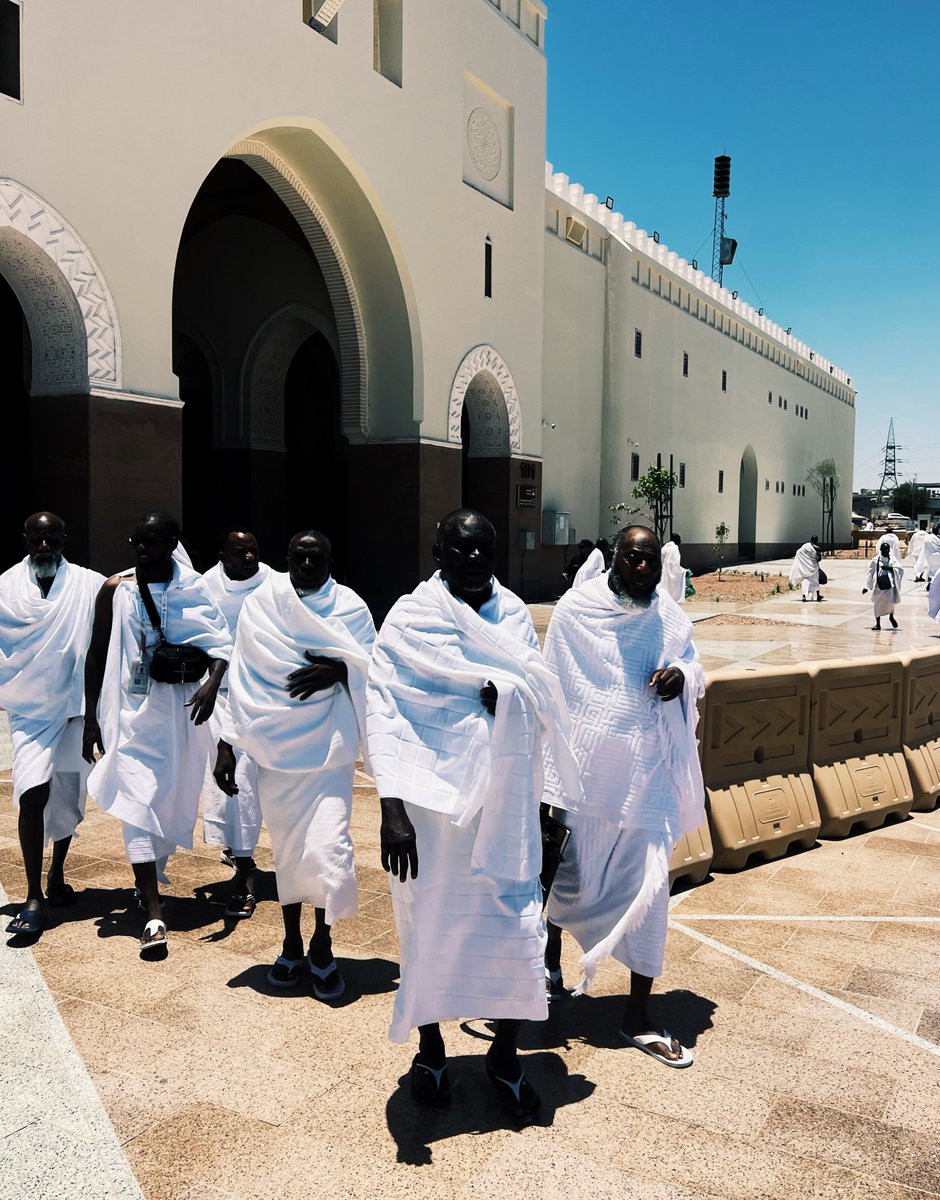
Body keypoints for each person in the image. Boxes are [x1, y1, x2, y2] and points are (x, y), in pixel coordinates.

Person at [368, 509, 580, 1122]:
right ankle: (431, 1050)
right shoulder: (409, 617)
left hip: (504, 803)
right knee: (427, 929)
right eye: (459, 549)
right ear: (438, 549)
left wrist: (509, 696)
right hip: (428, 814)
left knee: (517, 934)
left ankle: (504, 1056)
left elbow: (540, 694)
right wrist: (391, 809)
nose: (472, 560)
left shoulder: (513, 614)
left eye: (483, 550)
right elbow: (383, 712)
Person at [542, 525, 705, 1069]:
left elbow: (694, 664)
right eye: (633, 559)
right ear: (613, 558)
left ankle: (638, 1012)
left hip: (647, 777)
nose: (643, 569)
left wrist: (680, 675)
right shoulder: (574, 612)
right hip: (585, 780)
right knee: (566, 878)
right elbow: (552, 689)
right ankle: (548, 970)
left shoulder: (671, 617)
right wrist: (546, 780)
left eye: (651, 561)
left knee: (650, 890)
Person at [222, 530, 374, 998]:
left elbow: (376, 666)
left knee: (328, 848)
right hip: (277, 751)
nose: (307, 564)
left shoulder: (351, 607)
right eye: (299, 557)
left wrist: (340, 670)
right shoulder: (261, 604)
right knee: (287, 854)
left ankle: (323, 945)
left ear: (331, 560)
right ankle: (291, 942)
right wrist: (229, 746)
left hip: (328, 749)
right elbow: (242, 674)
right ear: (286, 559)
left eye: (316, 557)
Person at [82, 513, 232, 957]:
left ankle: (149, 877)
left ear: (172, 542)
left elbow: (220, 645)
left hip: (184, 713)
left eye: (151, 541)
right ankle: (152, 910)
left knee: (170, 800)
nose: (142, 549)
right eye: (137, 541)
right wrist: (92, 717)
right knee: (136, 801)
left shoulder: (195, 588)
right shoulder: (116, 590)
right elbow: (95, 652)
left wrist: (211, 681)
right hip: (131, 712)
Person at [0, 513, 104, 935]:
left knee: (65, 795)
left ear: (65, 539)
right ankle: (31, 895)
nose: (45, 544)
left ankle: (57, 874)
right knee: (31, 792)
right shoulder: (5, 586)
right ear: (25, 539)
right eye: (37, 537)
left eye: (52, 537)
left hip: (74, 708)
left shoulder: (89, 584)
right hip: (29, 710)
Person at [199, 527, 272, 917]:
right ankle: (237, 850)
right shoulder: (204, 585)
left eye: (254, 551)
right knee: (220, 782)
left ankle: (244, 870)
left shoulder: (275, 585)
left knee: (244, 783)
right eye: (240, 552)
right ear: (222, 555)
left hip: (258, 698)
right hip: (213, 695)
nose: (249, 558)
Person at [863, 540, 904, 631]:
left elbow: (900, 569)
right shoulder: (875, 560)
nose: (886, 552)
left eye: (887, 550)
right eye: (884, 550)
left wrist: (890, 568)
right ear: (881, 550)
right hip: (878, 586)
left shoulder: (892, 559)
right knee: (877, 605)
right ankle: (878, 624)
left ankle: (891, 616)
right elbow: (870, 572)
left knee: (890, 603)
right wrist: (866, 586)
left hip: (889, 585)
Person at [789, 535, 824, 601]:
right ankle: (818, 596)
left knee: (805, 582)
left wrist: (803, 562)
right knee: (816, 582)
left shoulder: (805, 546)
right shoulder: (817, 548)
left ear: (811, 540)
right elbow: (819, 559)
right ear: (816, 540)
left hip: (805, 568)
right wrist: (813, 560)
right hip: (813, 568)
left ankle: (804, 596)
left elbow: (798, 552)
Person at [660, 533, 687, 604]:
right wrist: (683, 571)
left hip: (662, 575)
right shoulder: (674, 548)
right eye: (679, 540)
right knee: (672, 595)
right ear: (677, 540)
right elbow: (674, 565)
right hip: (670, 575)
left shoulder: (664, 548)